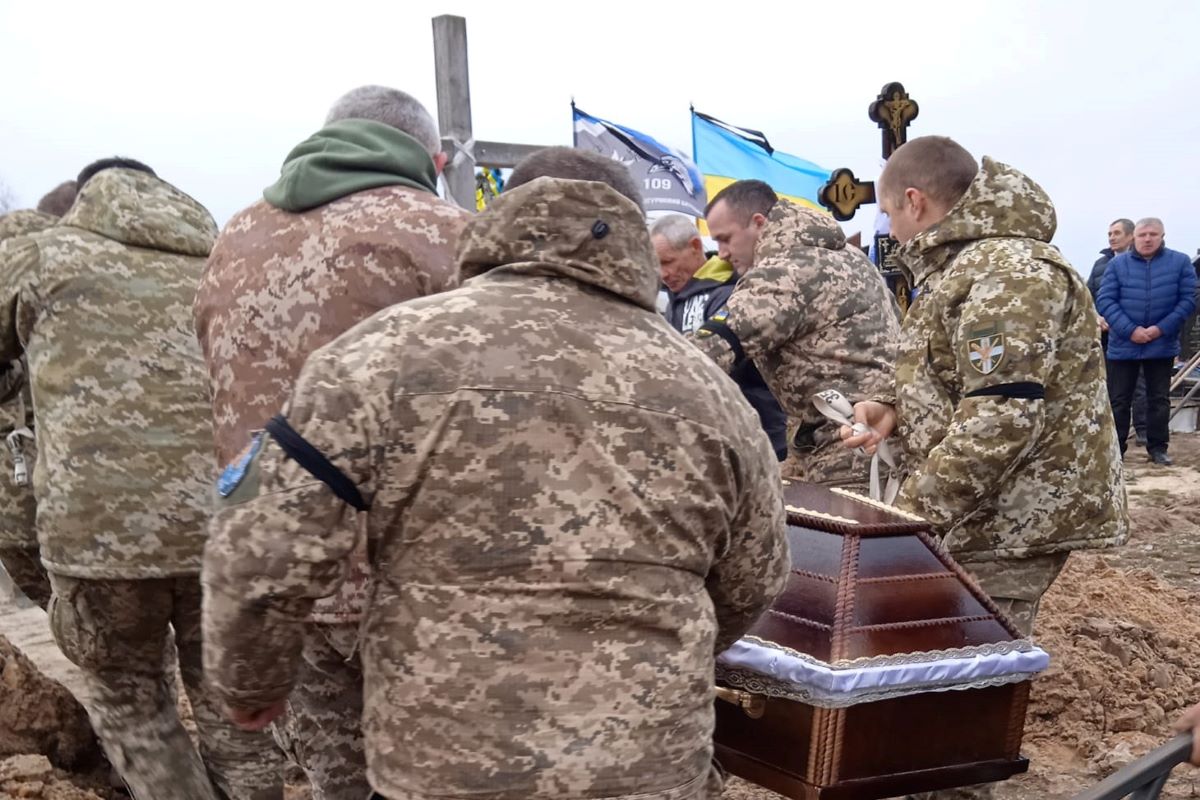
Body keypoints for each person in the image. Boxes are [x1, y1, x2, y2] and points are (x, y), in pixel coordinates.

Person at [202, 147, 790, 800]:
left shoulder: (374, 358)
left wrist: (249, 681)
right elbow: (753, 579)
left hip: (445, 762)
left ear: (503, 216)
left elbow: (265, 544)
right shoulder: (711, 394)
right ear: (632, 229)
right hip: (644, 764)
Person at [194, 84, 468, 800]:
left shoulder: (235, 238)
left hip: (280, 570)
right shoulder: (449, 234)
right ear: (434, 159)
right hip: (417, 584)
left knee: (338, 781)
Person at [840, 136, 1129, 799]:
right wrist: (890, 408)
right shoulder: (966, 268)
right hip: (979, 511)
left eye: (888, 211)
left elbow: (1002, 419)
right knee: (939, 688)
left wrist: (905, 519)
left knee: (963, 707)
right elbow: (958, 377)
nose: (888, 226)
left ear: (914, 201)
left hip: (1010, 518)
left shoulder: (1010, 273)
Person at [0, 158, 284, 800]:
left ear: (89, 198)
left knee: (130, 699)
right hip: (228, 519)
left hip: (102, 536)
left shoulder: (46, 256)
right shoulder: (226, 259)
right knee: (232, 704)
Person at [691, 179, 900, 487]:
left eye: (725, 239)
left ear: (758, 223)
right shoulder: (851, 256)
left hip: (846, 448)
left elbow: (707, 351)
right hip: (876, 436)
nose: (721, 254)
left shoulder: (783, 271)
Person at [650, 213, 788, 459]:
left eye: (668, 261)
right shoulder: (674, 299)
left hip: (758, 437)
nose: (663, 273)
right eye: (656, 265)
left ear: (695, 246)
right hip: (714, 441)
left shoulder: (730, 291)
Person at [0, 180, 76, 608]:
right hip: (49, 470)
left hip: (18, 481)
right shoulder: (60, 266)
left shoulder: (17, 259)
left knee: (60, 604)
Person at [1097, 217, 1197, 466]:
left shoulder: (1180, 262)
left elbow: (1188, 300)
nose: (1148, 239)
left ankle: (1158, 448)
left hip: (1161, 343)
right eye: (1142, 235)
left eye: (1153, 234)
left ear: (1162, 236)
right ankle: (1116, 450)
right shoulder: (1117, 265)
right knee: (1119, 400)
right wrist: (1130, 330)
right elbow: (1106, 300)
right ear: (1134, 238)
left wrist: (1159, 329)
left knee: (1159, 399)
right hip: (1124, 343)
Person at [1087, 218, 1147, 445]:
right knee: (1110, 385)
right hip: (1105, 335)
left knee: (1139, 385)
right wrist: (1096, 316)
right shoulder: (1100, 264)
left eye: (1117, 233)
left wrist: (1125, 324)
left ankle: (1143, 431)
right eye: (1110, 233)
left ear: (1131, 236)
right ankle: (1110, 432)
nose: (1112, 237)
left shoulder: (1143, 263)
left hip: (1133, 334)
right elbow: (1088, 296)